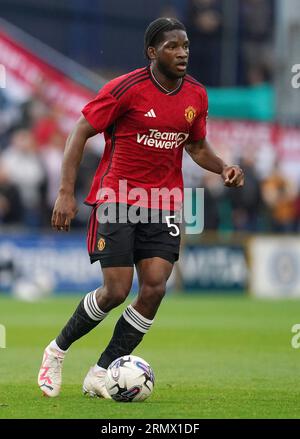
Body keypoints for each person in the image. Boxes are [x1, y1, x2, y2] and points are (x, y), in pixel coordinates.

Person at [37, 17, 244, 398]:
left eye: (185, 46)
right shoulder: (125, 88)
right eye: (172, 47)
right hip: (117, 198)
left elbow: (196, 146)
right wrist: (66, 192)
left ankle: (100, 372)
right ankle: (56, 351)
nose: (182, 53)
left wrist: (223, 167)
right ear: (152, 52)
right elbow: (80, 130)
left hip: (164, 203)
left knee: (154, 289)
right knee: (116, 290)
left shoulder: (196, 94)